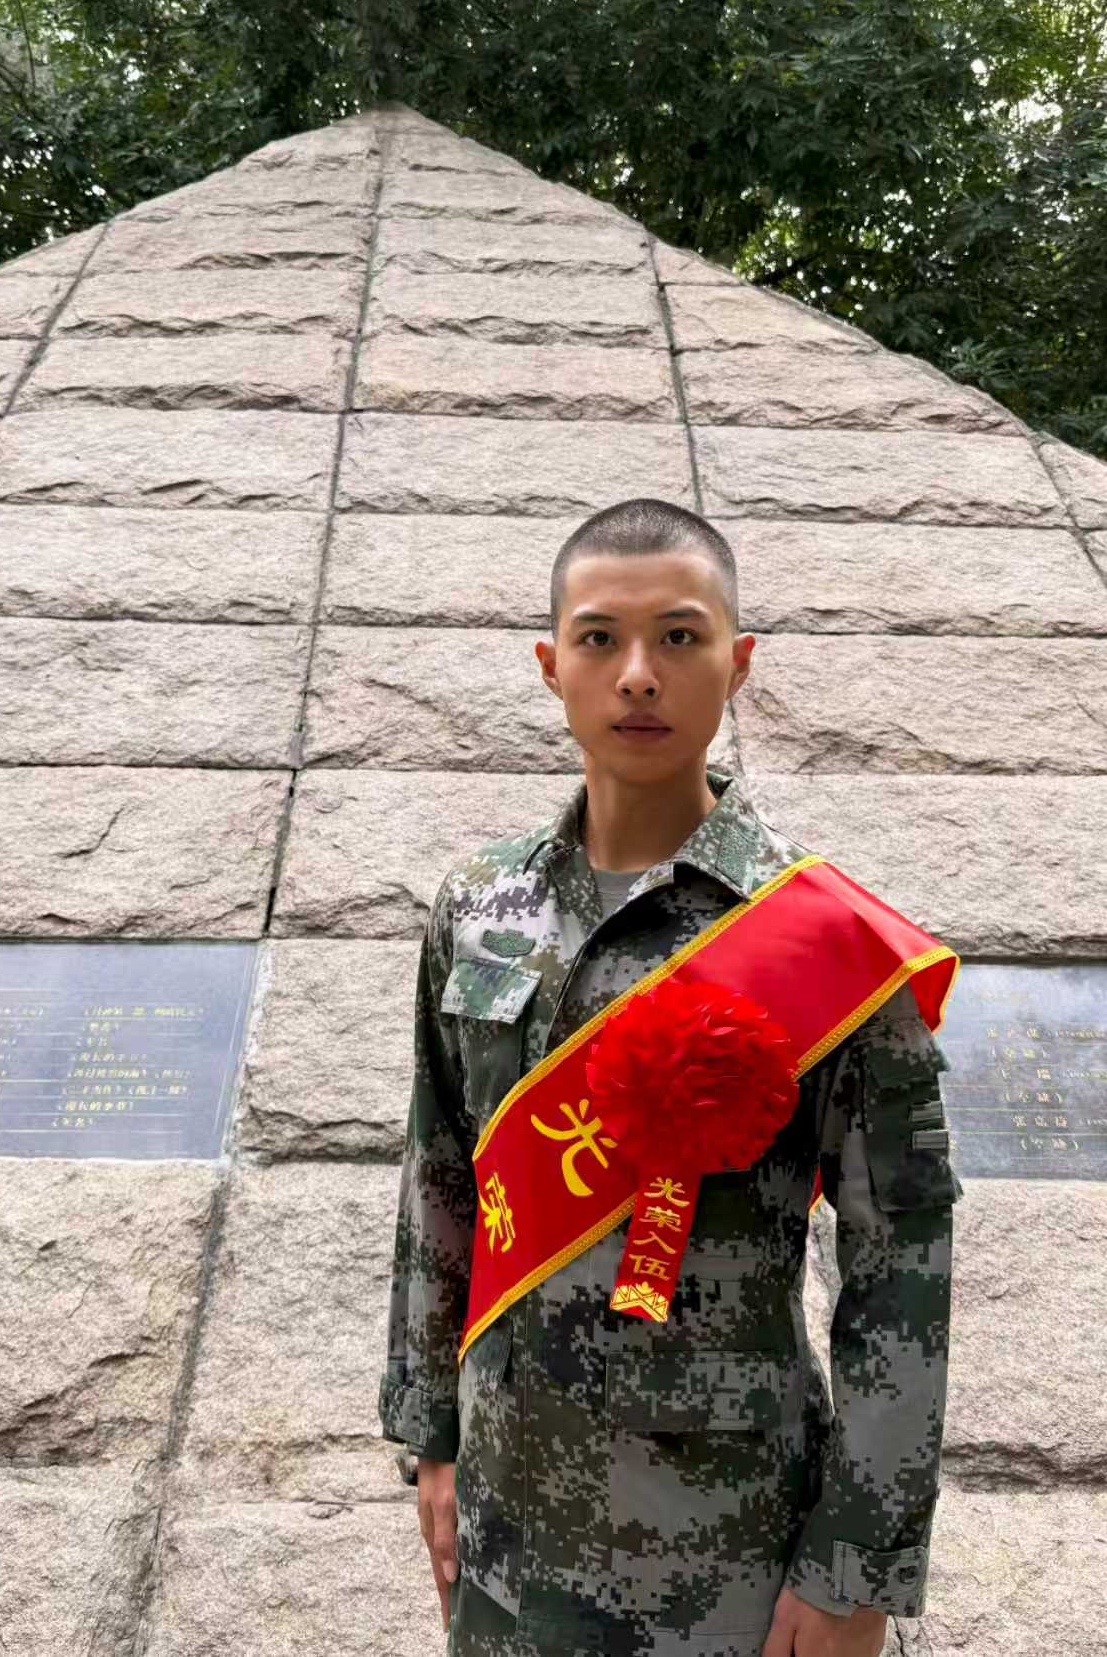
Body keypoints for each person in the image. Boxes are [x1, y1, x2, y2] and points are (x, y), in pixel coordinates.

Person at [378, 497, 963, 1657]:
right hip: (506, 1517)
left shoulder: (823, 943)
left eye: (679, 637)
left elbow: (900, 1267)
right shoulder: (478, 908)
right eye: (598, 638)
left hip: (727, 1544)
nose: (637, 673)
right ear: (549, 667)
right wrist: (429, 1434)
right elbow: (438, 1177)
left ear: (736, 664)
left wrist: (854, 1565)